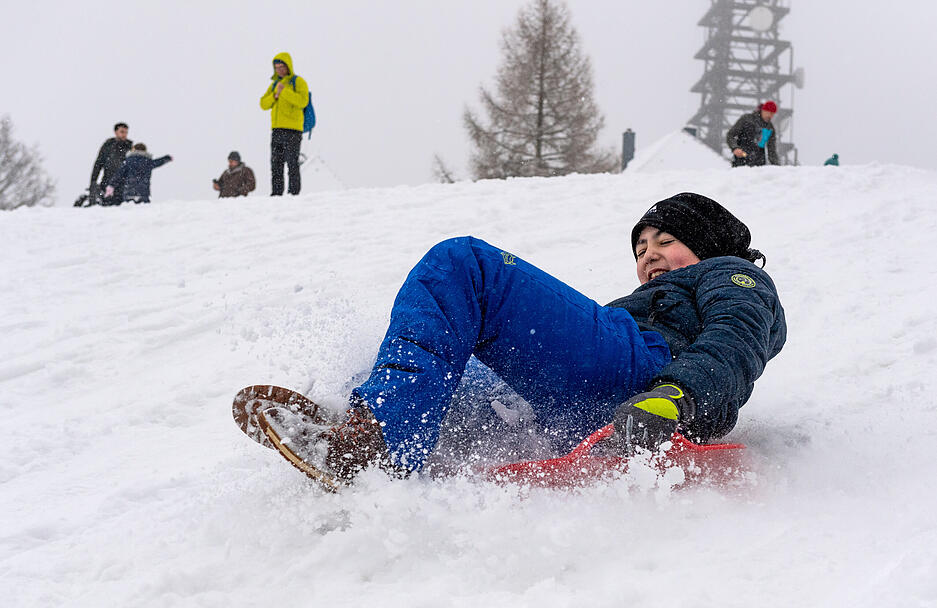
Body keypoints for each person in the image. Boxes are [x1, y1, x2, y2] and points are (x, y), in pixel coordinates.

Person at [255, 192, 788, 487]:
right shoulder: (641, 301)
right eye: (640, 246)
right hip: (579, 408)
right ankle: (356, 427)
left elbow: (733, 340)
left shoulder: (730, 276)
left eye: (666, 241)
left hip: (646, 378)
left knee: (464, 265)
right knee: (451, 365)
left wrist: (677, 395)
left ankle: (376, 445)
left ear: (710, 247)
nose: (648, 254)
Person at [259, 52, 308, 196]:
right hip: (277, 129)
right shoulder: (274, 84)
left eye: (282, 66)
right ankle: (276, 194)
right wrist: (275, 95)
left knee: (292, 163)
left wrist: (284, 91)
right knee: (276, 165)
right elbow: (263, 104)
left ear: (288, 66)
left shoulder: (298, 82)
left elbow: (302, 101)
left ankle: (294, 194)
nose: (279, 70)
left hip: (293, 130)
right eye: (276, 67)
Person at [105, 143, 172, 204]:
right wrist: (167, 158)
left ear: (133, 150)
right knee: (143, 214)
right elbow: (158, 162)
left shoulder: (128, 161)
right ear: (145, 151)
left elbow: (119, 174)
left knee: (128, 212)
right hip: (143, 193)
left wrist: (111, 185)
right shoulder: (148, 162)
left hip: (129, 192)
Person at [90, 122, 133, 205]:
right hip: (107, 183)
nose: (124, 134)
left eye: (126, 132)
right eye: (122, 132)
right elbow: (98, 164)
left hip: (125, 185)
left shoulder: (130, 148)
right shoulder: (107, 146)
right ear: (116, 132)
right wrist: (93, 182)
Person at [726, 101, 780, 167]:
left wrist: (777, 168)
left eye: (772, 114)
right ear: (762, 110)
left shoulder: (770, 128)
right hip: (741, 161)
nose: (770, 116)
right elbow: (731, 135)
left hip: (759, 165)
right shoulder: (746, 119)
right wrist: (735, 148)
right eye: (768, 112)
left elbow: (772, 151)